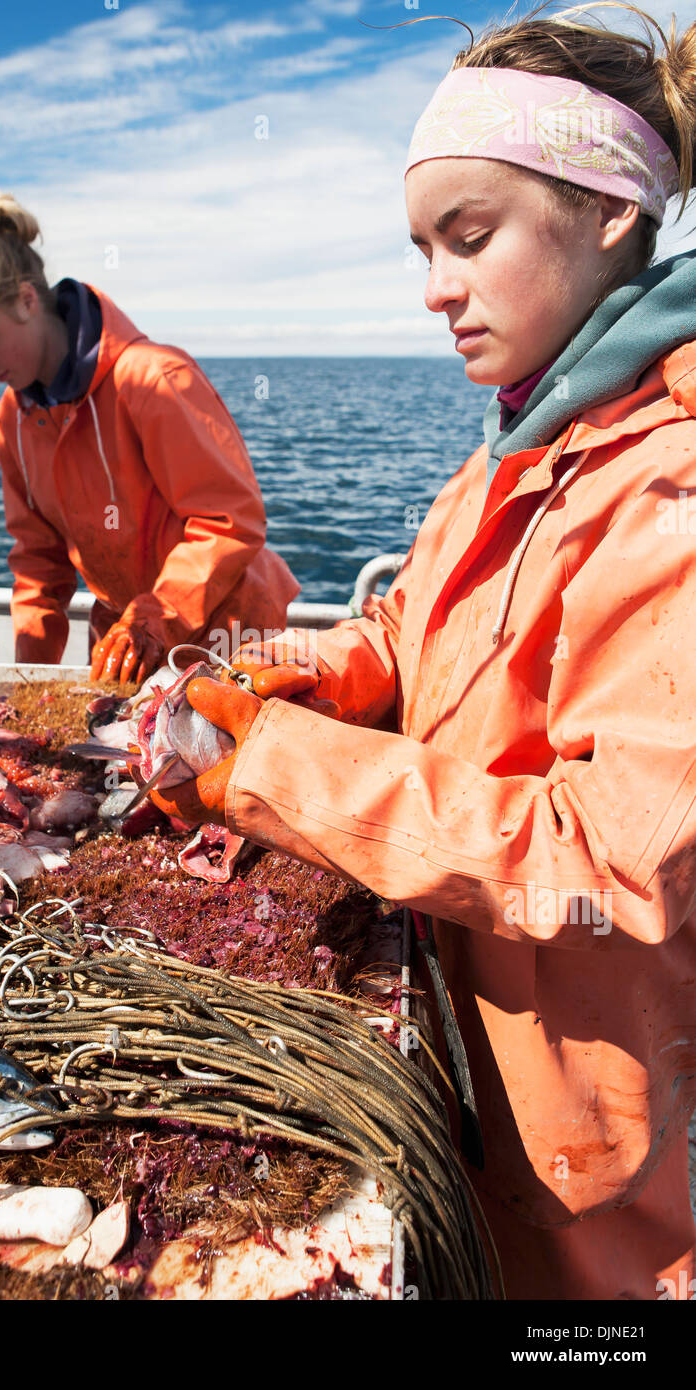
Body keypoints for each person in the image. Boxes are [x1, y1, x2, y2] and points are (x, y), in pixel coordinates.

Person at [150, 6, 696, 1300]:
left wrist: (277, 766)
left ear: (610, 212)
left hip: (602, 1159)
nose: (434, 289)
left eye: (469, 236)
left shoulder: (666, 484)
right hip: (482, 1065)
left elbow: (614, 859)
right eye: (420, 248)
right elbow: (414, 626)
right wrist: (299, 677)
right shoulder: (521, 440)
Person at [0, 194, 299, 683]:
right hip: (128, 641)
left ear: (27, 300)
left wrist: (153, 621)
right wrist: (27, 682)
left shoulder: (154, 379)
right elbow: (39, 563)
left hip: (230, 634)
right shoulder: (10, 421)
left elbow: (229, 523)